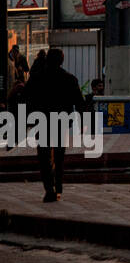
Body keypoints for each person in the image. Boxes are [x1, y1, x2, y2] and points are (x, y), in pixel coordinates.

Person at [24, 48, 84, 202]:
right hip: (61, 121)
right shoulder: (69, 79)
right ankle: (57, 187)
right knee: (58, 155)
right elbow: (79, 102)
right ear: (61, 60)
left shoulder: (36, 78)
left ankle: (49, 188)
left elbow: (25, 100)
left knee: (44, 156)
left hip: (41, 120)